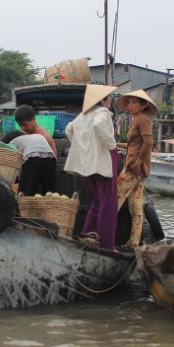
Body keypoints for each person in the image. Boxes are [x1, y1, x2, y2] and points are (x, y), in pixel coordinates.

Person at [64, 84, 119, 249]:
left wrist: (83, 148)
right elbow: (98, 125)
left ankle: (88, 236)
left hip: (89, 163)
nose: (111, 100)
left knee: (96, 202)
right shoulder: (102, 113)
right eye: (109, 97)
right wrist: (112, 145)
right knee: (108, 204)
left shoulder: (83, 115)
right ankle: (107, 245)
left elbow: (68, 130)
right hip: (104, 160)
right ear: (103, 100)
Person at [115, 89, 157, 246]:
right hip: (138, 168)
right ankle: (133, 242)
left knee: (115, 199)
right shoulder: (137, 119)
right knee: (135, 206)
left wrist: (139, 161)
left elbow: (149, 142)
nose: (130, 105)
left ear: (143, 105)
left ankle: (104, 235)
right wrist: (115, 144)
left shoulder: (142, 119)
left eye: (134, 102)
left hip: (134, 168)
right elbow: (133, 145)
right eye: (129, 102)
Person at [4, 124, 57, 197]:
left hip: (33, 158)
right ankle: (49, 207)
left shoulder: (12, 142)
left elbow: (14, 163)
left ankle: (24, 207)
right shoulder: (34, 136)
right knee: (49, 193)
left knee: (25, 193)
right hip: (51, 159)